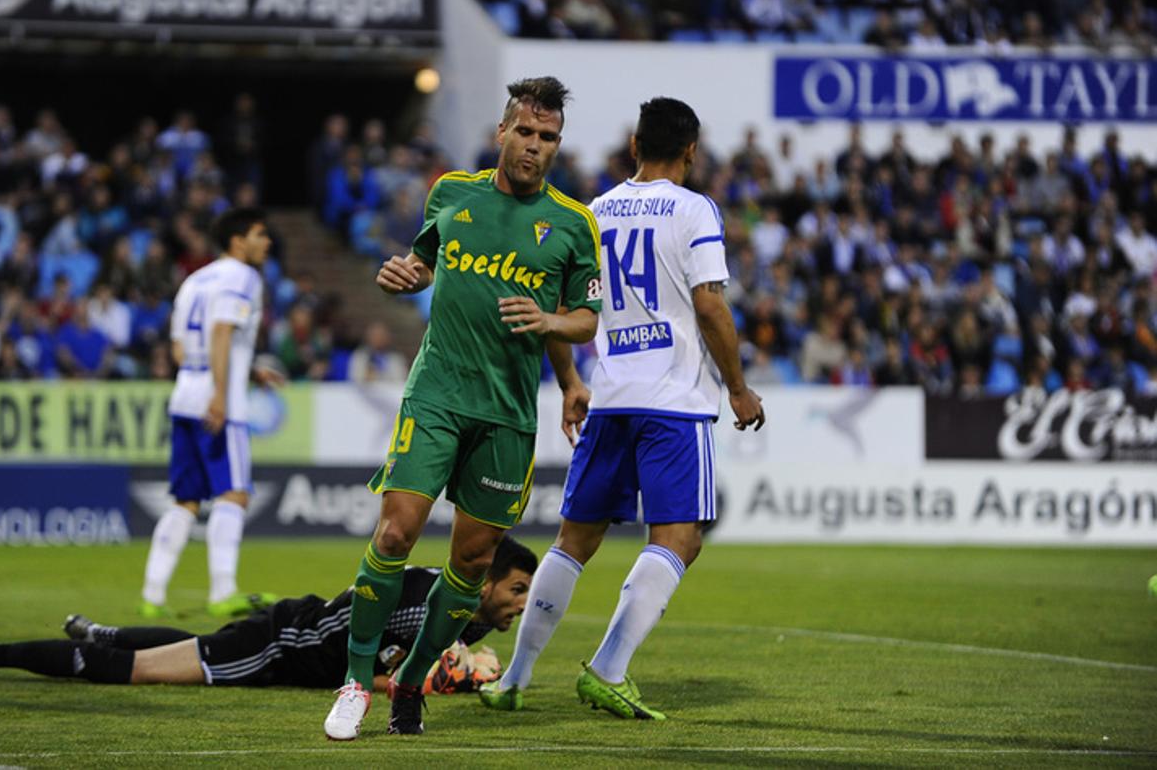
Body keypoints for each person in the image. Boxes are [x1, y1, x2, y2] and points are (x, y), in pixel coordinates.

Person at [323, 77, 603, 740]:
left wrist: (554, 336)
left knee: (473, 564)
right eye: (526, 133)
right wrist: (406, 273)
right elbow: (424, 260)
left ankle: (413, 680)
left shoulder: (572, 222)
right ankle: (357, 681)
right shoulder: (451, 192)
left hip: (506, 413)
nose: (535, 147)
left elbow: (585, 320)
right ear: (501, 132)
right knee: (394, 533)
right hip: (437, 393)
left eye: (548, 138)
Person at [479, 97, 765, 720]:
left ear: (634, 146)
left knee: (573, 541)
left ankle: (515, 678)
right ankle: (607, 667)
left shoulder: (593, 212)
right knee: (680, 538)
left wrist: (570, 383)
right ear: (692, 151)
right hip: (673, 403)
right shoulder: (694, 210)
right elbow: (710, 306)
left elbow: (559, 305)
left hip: (608, 396)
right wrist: (738, 388)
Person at [0, 537, 536, 692]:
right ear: (485, 582)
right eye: (515, 589)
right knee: (142, 671)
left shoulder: (465, 606)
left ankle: (106, 631)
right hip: (281, 646)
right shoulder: (426, 608)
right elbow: (372, 671)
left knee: (192, 645)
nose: (521, 602)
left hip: (292, 630)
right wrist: (438, 678)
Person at [141, 208, 279, 620]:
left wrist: (246, 368)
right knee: (233, 493)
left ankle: (151, 595)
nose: (266, 242)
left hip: (185, 395)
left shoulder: (194, 280)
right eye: (260, 234)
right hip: (221, 403)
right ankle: (223, 589)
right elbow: (221, 331)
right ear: (238, 241)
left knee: (185, 500)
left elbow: (182, 349)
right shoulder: (244, 277)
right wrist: (222, 392)